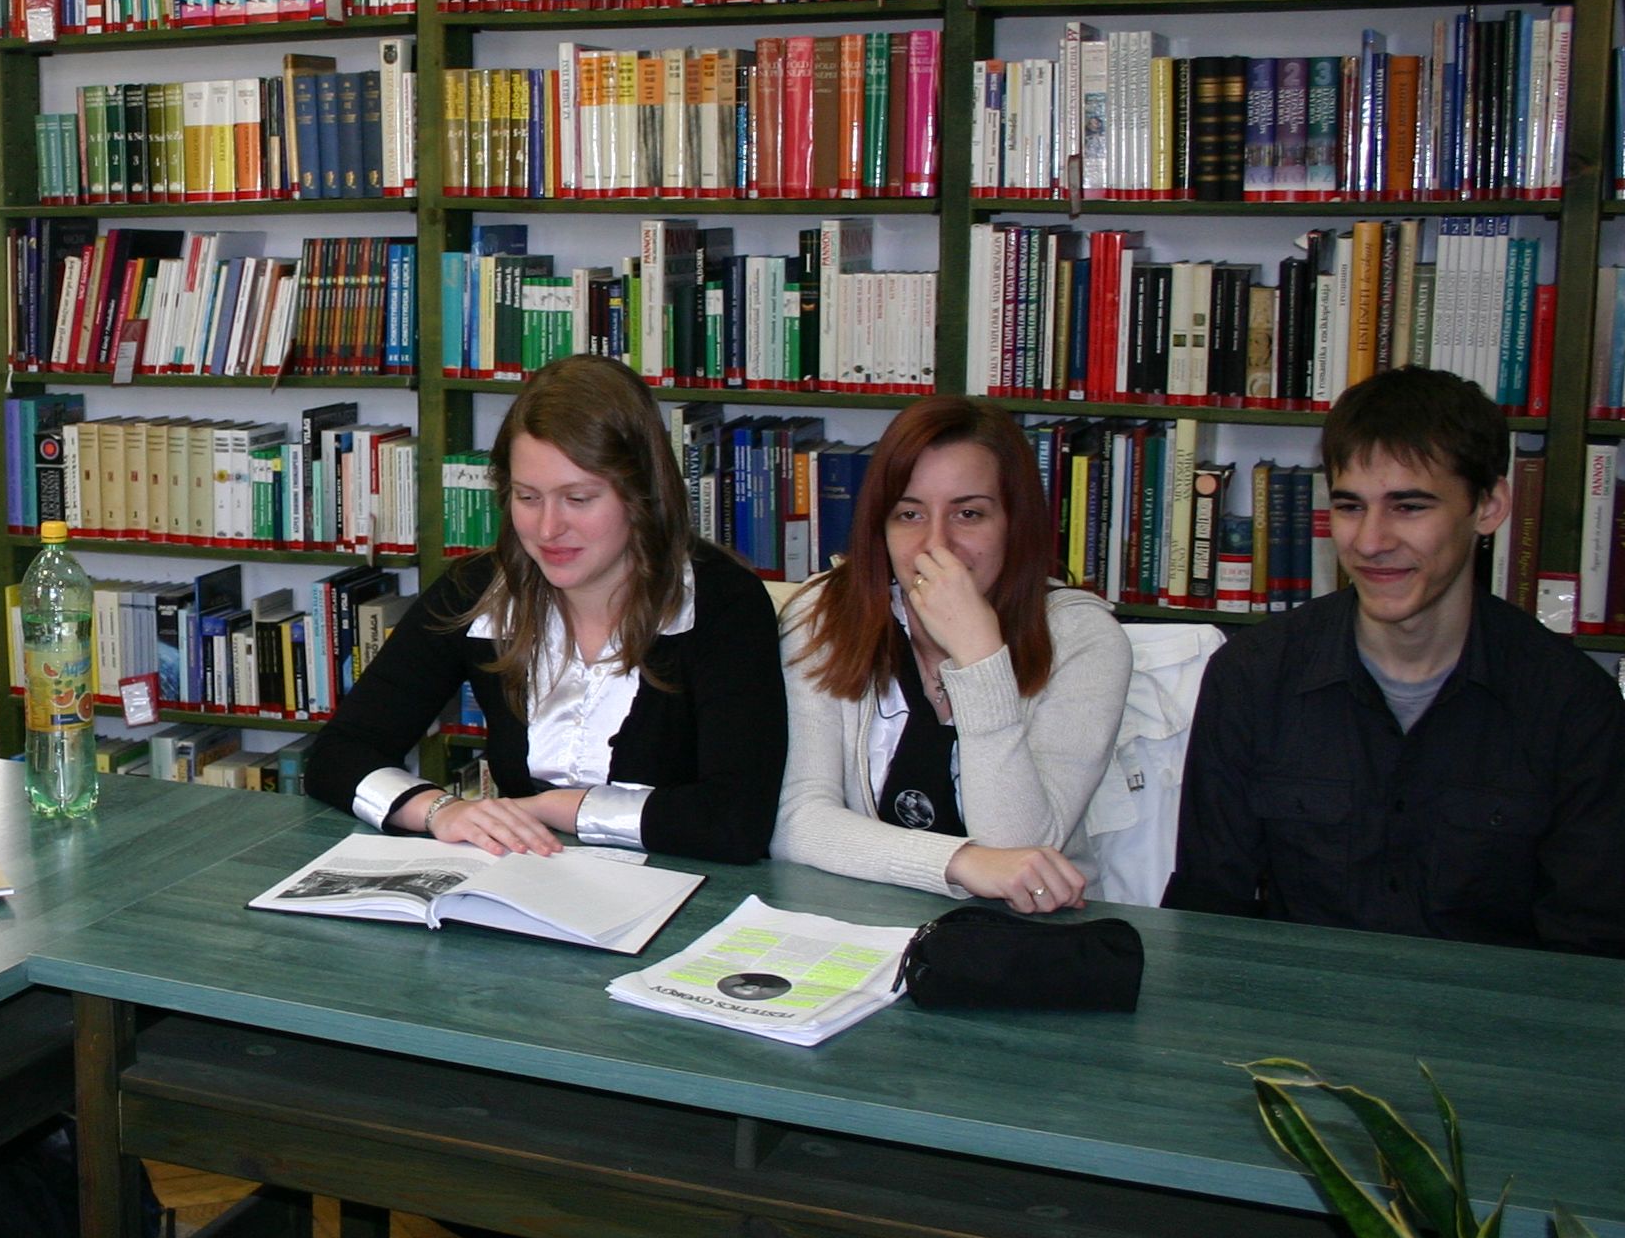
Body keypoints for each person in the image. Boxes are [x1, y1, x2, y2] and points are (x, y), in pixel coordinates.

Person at [1164, 367, 1625, 957]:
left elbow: (1596, 958)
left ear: (1489, 507)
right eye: (1349, 506)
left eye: (1409, 507)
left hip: (1491, 1015)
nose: (1370, 542)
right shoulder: (1252, 676)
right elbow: (1208, 916)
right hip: (1299, 1009)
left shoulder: (1571, 703)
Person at [303, 354, 786, 862]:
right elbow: (338, 753)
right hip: (525, 879)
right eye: (528, 497)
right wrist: (439, 810)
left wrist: (549, 808)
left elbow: (736, 822)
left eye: (578, 499)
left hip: (687, 887)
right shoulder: (477, 590)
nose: (549, 529)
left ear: (641, 493)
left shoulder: (723, 603)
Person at [774, 397, 1132, 912]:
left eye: (969, 514)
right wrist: (959, 862)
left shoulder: (1083, 638)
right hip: (859, 918)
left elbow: (1022, 853)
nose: (935, 544)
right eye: (909, 514)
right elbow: (798, 822)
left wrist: (978, 655)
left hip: (1028, 931)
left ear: (1014, 522)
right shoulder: (823, 614)